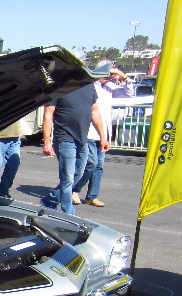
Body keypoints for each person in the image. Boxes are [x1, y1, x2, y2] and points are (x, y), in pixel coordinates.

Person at [39, 84, 109, 214]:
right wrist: (47, 141)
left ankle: (51, 200)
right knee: (68, 179)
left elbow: (95, 112)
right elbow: (48, 114)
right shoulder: (59, 87)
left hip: (83, 139)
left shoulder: (89, 87)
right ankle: (69, 213)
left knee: (79, 174)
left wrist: (103, 137)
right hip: (64, 138)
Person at [72, 69, 132, 207]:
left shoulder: (110, 88)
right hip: (90, 132)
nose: (108, 77)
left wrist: (124, 76)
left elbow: (128, 93)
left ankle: (92, 196)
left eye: (110, 75)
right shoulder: (90, 86)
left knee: (99, 166)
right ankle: (74, 189)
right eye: (106, 74)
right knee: (91, 163)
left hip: (104, 134)